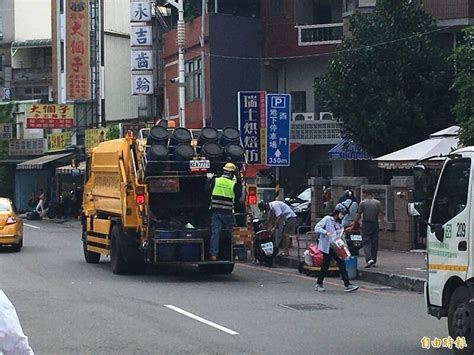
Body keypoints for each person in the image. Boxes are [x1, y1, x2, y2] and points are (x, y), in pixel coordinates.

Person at [314, 204, 359, 292]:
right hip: (328, 246)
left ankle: (347, 284)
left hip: (336, 246)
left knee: (341, 263)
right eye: (342, 213)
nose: (342, 216)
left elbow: (339, 234)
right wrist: (325, 232)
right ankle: (319, 284)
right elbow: (317, 227)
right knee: (326, 265)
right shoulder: (327, 219)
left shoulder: (339, 223)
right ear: (337, 212)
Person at [208, 162, 242, 261]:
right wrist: (238, 180)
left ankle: (213, 255)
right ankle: (239, 253)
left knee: (215, 233)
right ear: (232, 173)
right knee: (234, 233)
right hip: (228, 212)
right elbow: (239, 197)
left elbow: (207, 190)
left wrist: (208, 180)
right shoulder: (233, 184)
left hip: (216, 211)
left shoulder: (216, 180)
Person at [352, 189, 386, 268]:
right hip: (375, 224)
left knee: (366, 242)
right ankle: (374, 260)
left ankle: (369, 259)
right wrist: (384, 225)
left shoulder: (363, 203)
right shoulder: (377, 203)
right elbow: (381, 215)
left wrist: (354, 224)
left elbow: (358, 215)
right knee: (374, 242)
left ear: (365, 194)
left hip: (366, 224)